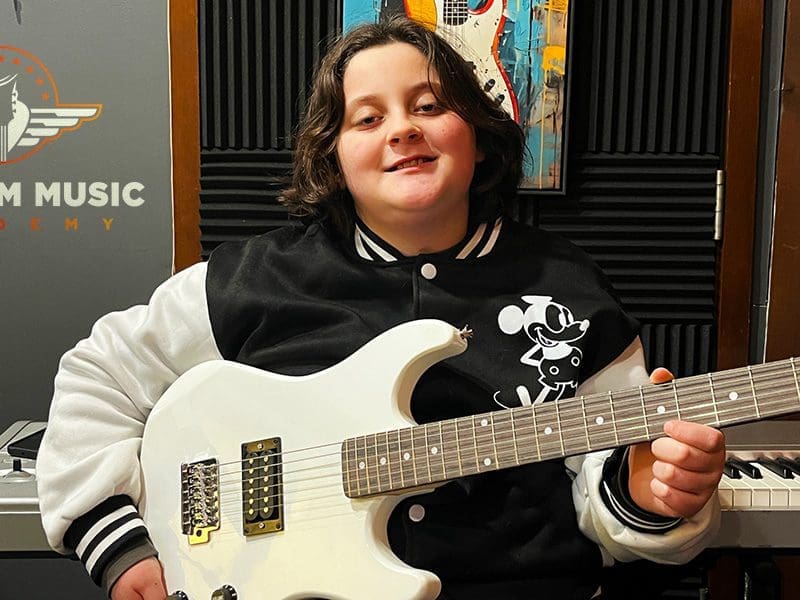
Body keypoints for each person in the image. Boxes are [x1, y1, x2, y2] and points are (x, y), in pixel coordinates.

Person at [36, 17, 725, 600]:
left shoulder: (568, 288)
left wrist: (645, 495)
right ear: (333, 158)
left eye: (429, 106)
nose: (402, 130)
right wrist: (117, 540)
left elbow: (609, 493)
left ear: (478, 135)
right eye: (368, 117)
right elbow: (102, 375)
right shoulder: (249, 279)